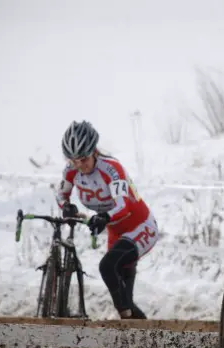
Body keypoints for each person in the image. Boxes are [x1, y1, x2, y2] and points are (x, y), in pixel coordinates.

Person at [55, 120, 159, 319]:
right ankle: (140, 333)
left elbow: (123, 205)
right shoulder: (71, 170)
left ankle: (134, 326)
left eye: (83, 159)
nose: (79, 165)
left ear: (94, 151)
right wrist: (66, 207)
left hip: (140, 226)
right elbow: (61, 195)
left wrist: (104, 217)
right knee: (123, 300)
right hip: (116, 232)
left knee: (107, 267)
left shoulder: (111, 169)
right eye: (73, 160)